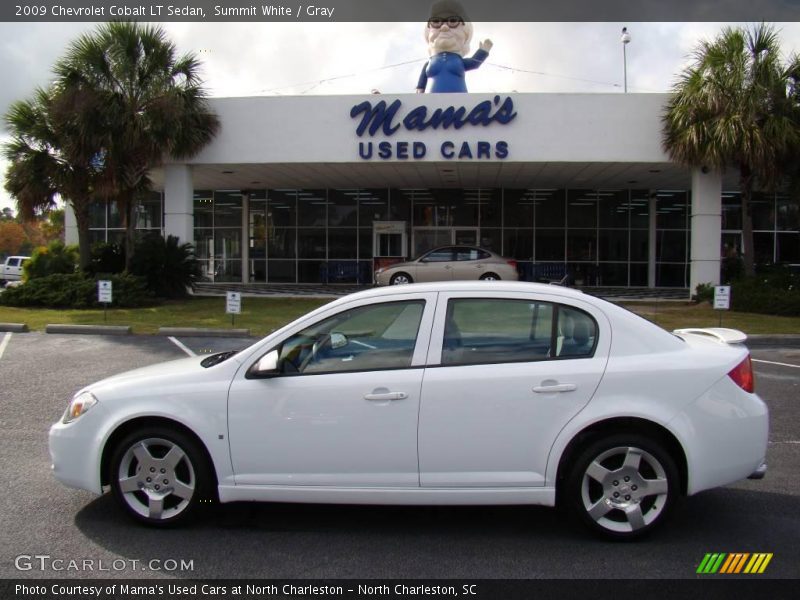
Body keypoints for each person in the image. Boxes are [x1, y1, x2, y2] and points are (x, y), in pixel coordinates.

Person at [416, 0, 493, 93]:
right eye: (436, 21)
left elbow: (474, 63)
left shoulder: (459, 60)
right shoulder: (429, 63)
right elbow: (422, 83)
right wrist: (420, 88)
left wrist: (483, 51)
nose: (444, 27)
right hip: (432, 104)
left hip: (458, 104)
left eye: (453, 21)